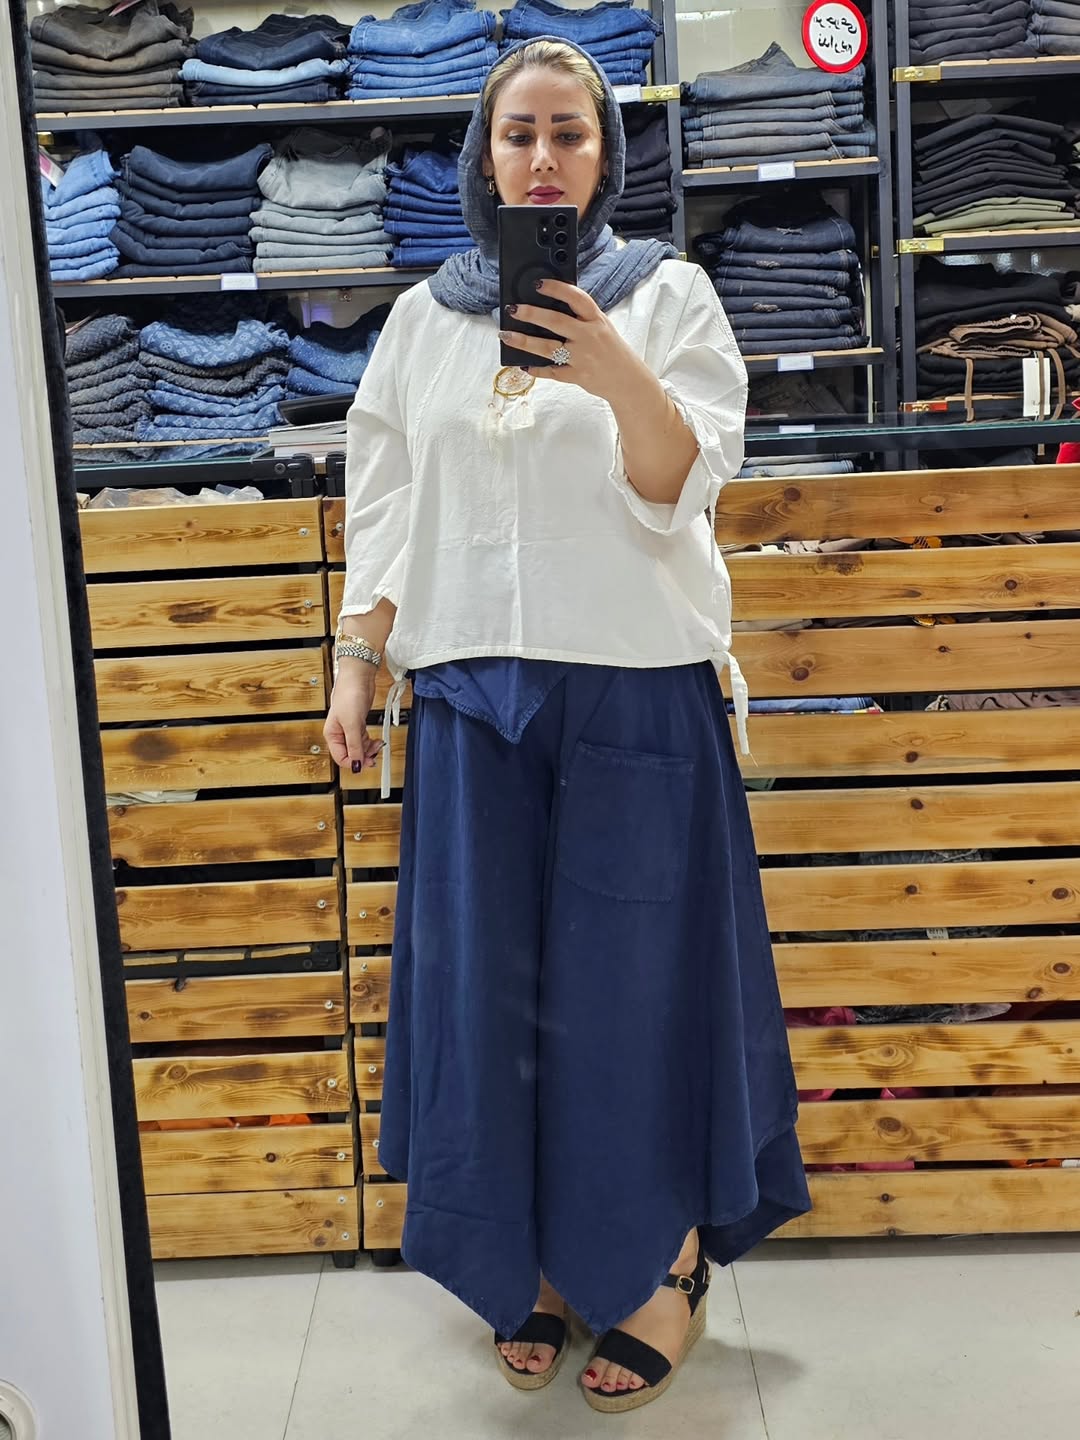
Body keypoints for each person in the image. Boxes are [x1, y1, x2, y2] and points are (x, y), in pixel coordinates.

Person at [324, 34, 810, 1415]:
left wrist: (610, 366)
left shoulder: (666, 297)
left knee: (633, 994)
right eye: (520, 132)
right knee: (492, 1000)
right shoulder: (424, 319)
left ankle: (660, 1267)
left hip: (634, 689)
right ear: (485, 156)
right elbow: (387, 497)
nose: (543, 157)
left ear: (606, 157)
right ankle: (528, 1261)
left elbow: (683, 480)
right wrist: (357, 658)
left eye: (570, 135)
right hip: (471, 700)